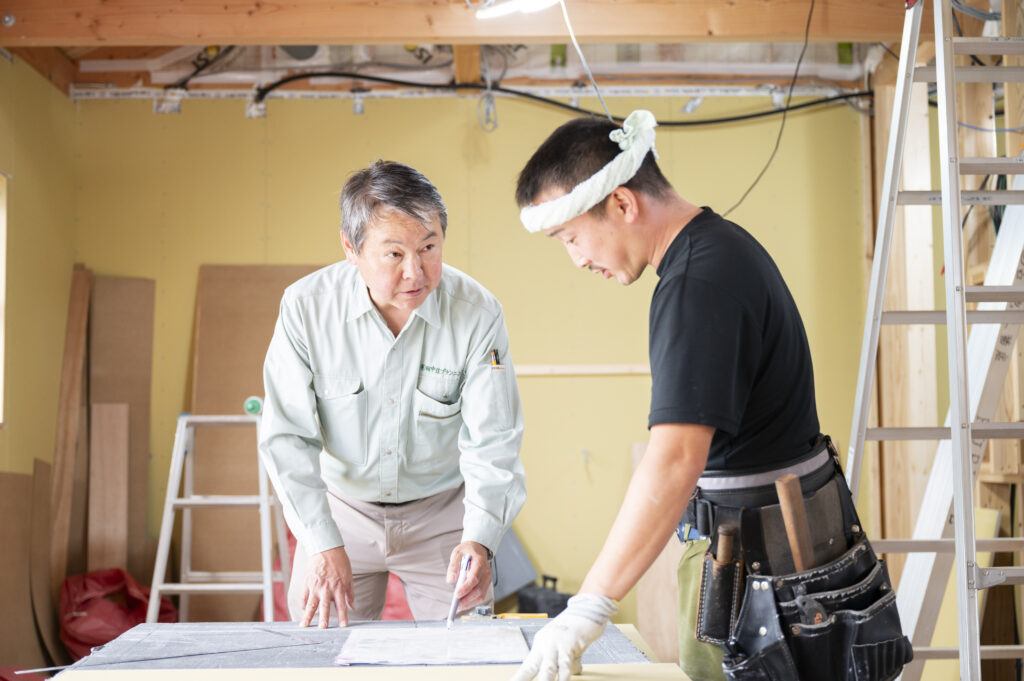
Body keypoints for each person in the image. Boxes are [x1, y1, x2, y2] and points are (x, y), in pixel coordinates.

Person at [509, 112, 904, 681]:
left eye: (570, 237)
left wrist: (590, 605)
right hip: (787, 549)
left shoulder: (696, 283)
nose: (576, 258)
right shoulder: (721, 247)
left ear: (622, 204)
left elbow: (672, 462)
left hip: (755, 571)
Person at [258, 160, 526, 629]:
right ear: (351, 247)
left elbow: (494, 441)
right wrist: (321, 542)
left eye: (429, 247)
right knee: (320, 653)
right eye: (394, 254)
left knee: (469, 657)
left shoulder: (478, 314)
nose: (415, 272)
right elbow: (287, 438)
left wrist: (480, 539)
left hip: (442, 515)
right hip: (341, 512)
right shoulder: (305, 310)